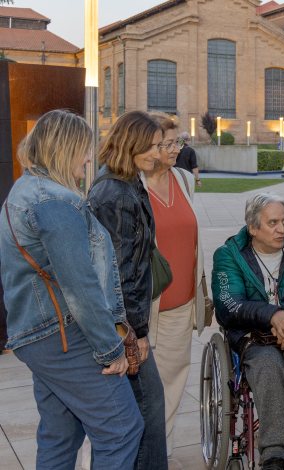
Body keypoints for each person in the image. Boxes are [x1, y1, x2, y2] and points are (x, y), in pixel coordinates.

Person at [0, 110, 143, 468]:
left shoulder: (26, 188)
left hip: (38, 334)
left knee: (60, 434)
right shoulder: (56, 202)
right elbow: (80, 286)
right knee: (122, 429)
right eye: (84, 149)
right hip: (61, 333)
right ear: (65, 149)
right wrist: (111, 349)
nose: (89, 159)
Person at [212, 193, 284, 470]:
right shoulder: (229, 256)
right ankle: (275, 454)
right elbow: (229, 305)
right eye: (272, 223)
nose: (281, 229)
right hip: (256, 337)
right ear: (253, 228)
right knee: (268, 366)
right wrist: (273, 315)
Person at [88, 111, 168, 469]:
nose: (158, 153)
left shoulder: (126, 181)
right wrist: (136, 332)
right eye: (151, 146)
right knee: (147, 407)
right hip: (124, 326)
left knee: (144, 409)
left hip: (125, 322)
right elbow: (120, 273)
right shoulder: (115, 192)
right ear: (132, 144)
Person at [143, 114, 207, 456]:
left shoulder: (184, 180)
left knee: (170, 388)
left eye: (176, 142)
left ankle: (160, 456)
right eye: (167, 143)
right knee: (131, 395)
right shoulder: (132, 186)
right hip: (144, 309)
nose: (174, 149)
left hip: (181, 307)